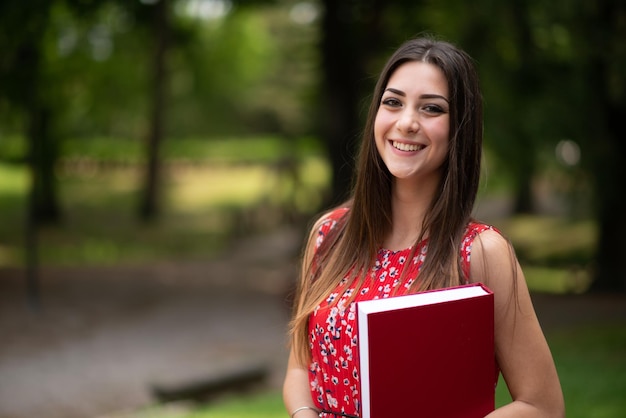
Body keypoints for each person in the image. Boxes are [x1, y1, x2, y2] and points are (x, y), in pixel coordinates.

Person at [283, 36, 565, 418]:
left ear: (459, 128)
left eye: (431, 108)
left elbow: (542, 406)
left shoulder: (480, 252)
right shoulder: (330, 234)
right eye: (393, 102)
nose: (407, 122)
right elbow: (301, 367)